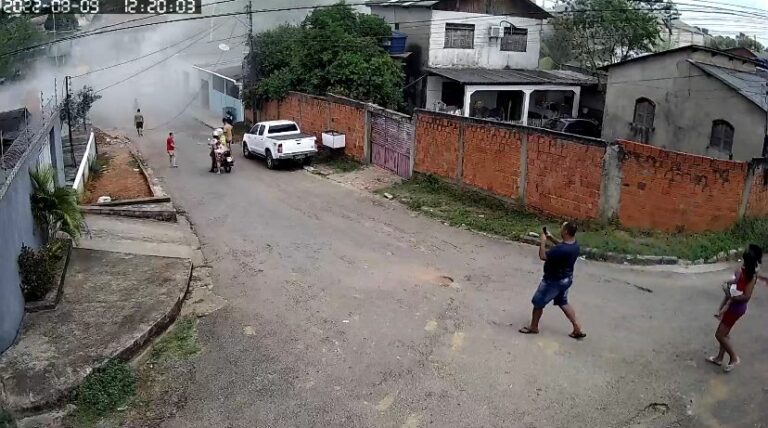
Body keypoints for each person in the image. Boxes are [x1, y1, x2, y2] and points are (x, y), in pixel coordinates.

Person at [519, 222, 586, 339]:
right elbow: (562, 244)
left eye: (562, 227)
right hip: (566, 279)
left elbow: (543, 256)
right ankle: (577, 328)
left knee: (538, 303)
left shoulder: (560, 250)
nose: (560, 229)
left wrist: (543, 241)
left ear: (565, 231)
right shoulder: (574, 245)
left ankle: (533, 327)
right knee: (563, 302)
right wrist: (551, 238)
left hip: (552, 281)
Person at [707, 247, 760, 372]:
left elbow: (746, 296)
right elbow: (736, 280)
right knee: (725, 333)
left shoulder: (751, 276)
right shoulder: (744, 269)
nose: (743, 263)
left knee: (720, 334)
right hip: (732, 304)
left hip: (736, 308)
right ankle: (719, 358)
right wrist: (728, 283)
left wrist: (731, 296)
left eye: (745, 260)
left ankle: (734, 357)